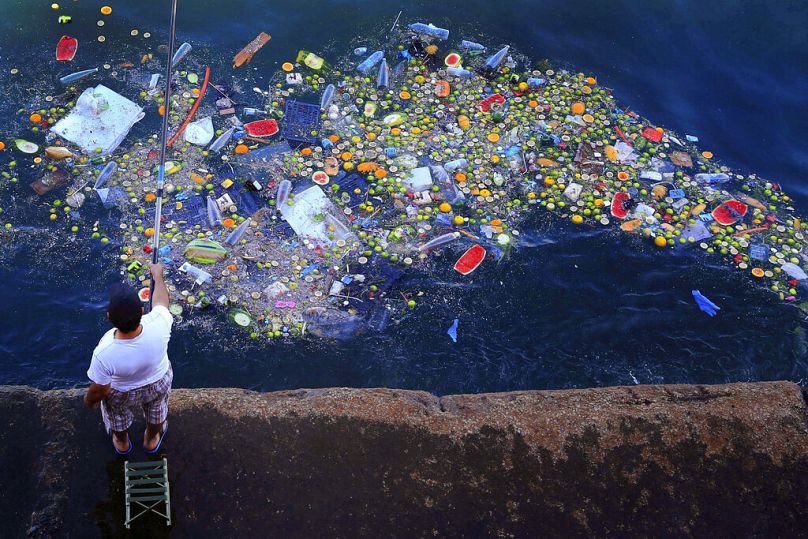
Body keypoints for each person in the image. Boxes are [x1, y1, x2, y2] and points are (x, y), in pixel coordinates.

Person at [84, 263, 173, 455]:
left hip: (121, 391)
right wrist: (158, 276)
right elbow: (162, 302)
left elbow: (100, 389)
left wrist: (90, 401)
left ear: (109, 317)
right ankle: (151, 440)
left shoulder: (104, 351)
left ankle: (122, 442)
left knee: (117, 417)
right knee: (157, 411)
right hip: (158, 381)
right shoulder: (159, 322)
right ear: (141, 311)